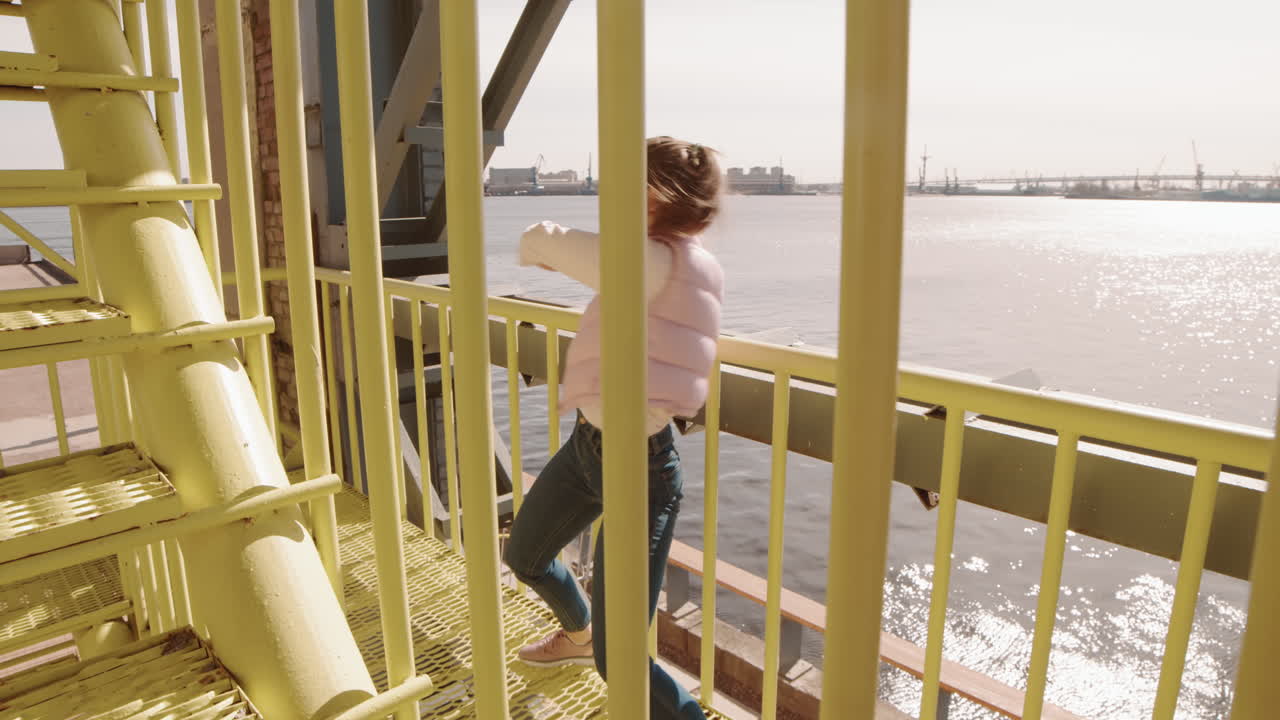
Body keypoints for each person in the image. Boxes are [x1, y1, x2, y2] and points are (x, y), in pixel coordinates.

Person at [502, 136, 724, 720]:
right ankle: (579, 634)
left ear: (654, 197)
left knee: (619, 660)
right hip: (589, 448)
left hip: (640, 471)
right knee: (525, 556)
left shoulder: (651, 262)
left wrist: (543, 253)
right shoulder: (669, 261)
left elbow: (540, 240)